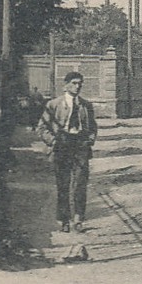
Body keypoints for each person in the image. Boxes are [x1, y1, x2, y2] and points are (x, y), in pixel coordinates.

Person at [38, 71, 97, 233]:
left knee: (80, 184)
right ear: (66, 85)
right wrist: (53, 141)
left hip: (80, 146)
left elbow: (93, 127)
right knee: (63, 184)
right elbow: (42, 128)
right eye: (74, 83)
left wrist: (89, 139)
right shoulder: (54, 105)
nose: (78, 86)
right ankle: (64, 219)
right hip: (62, 146)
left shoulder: (86, 105)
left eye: (80, 83)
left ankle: (78, 218)